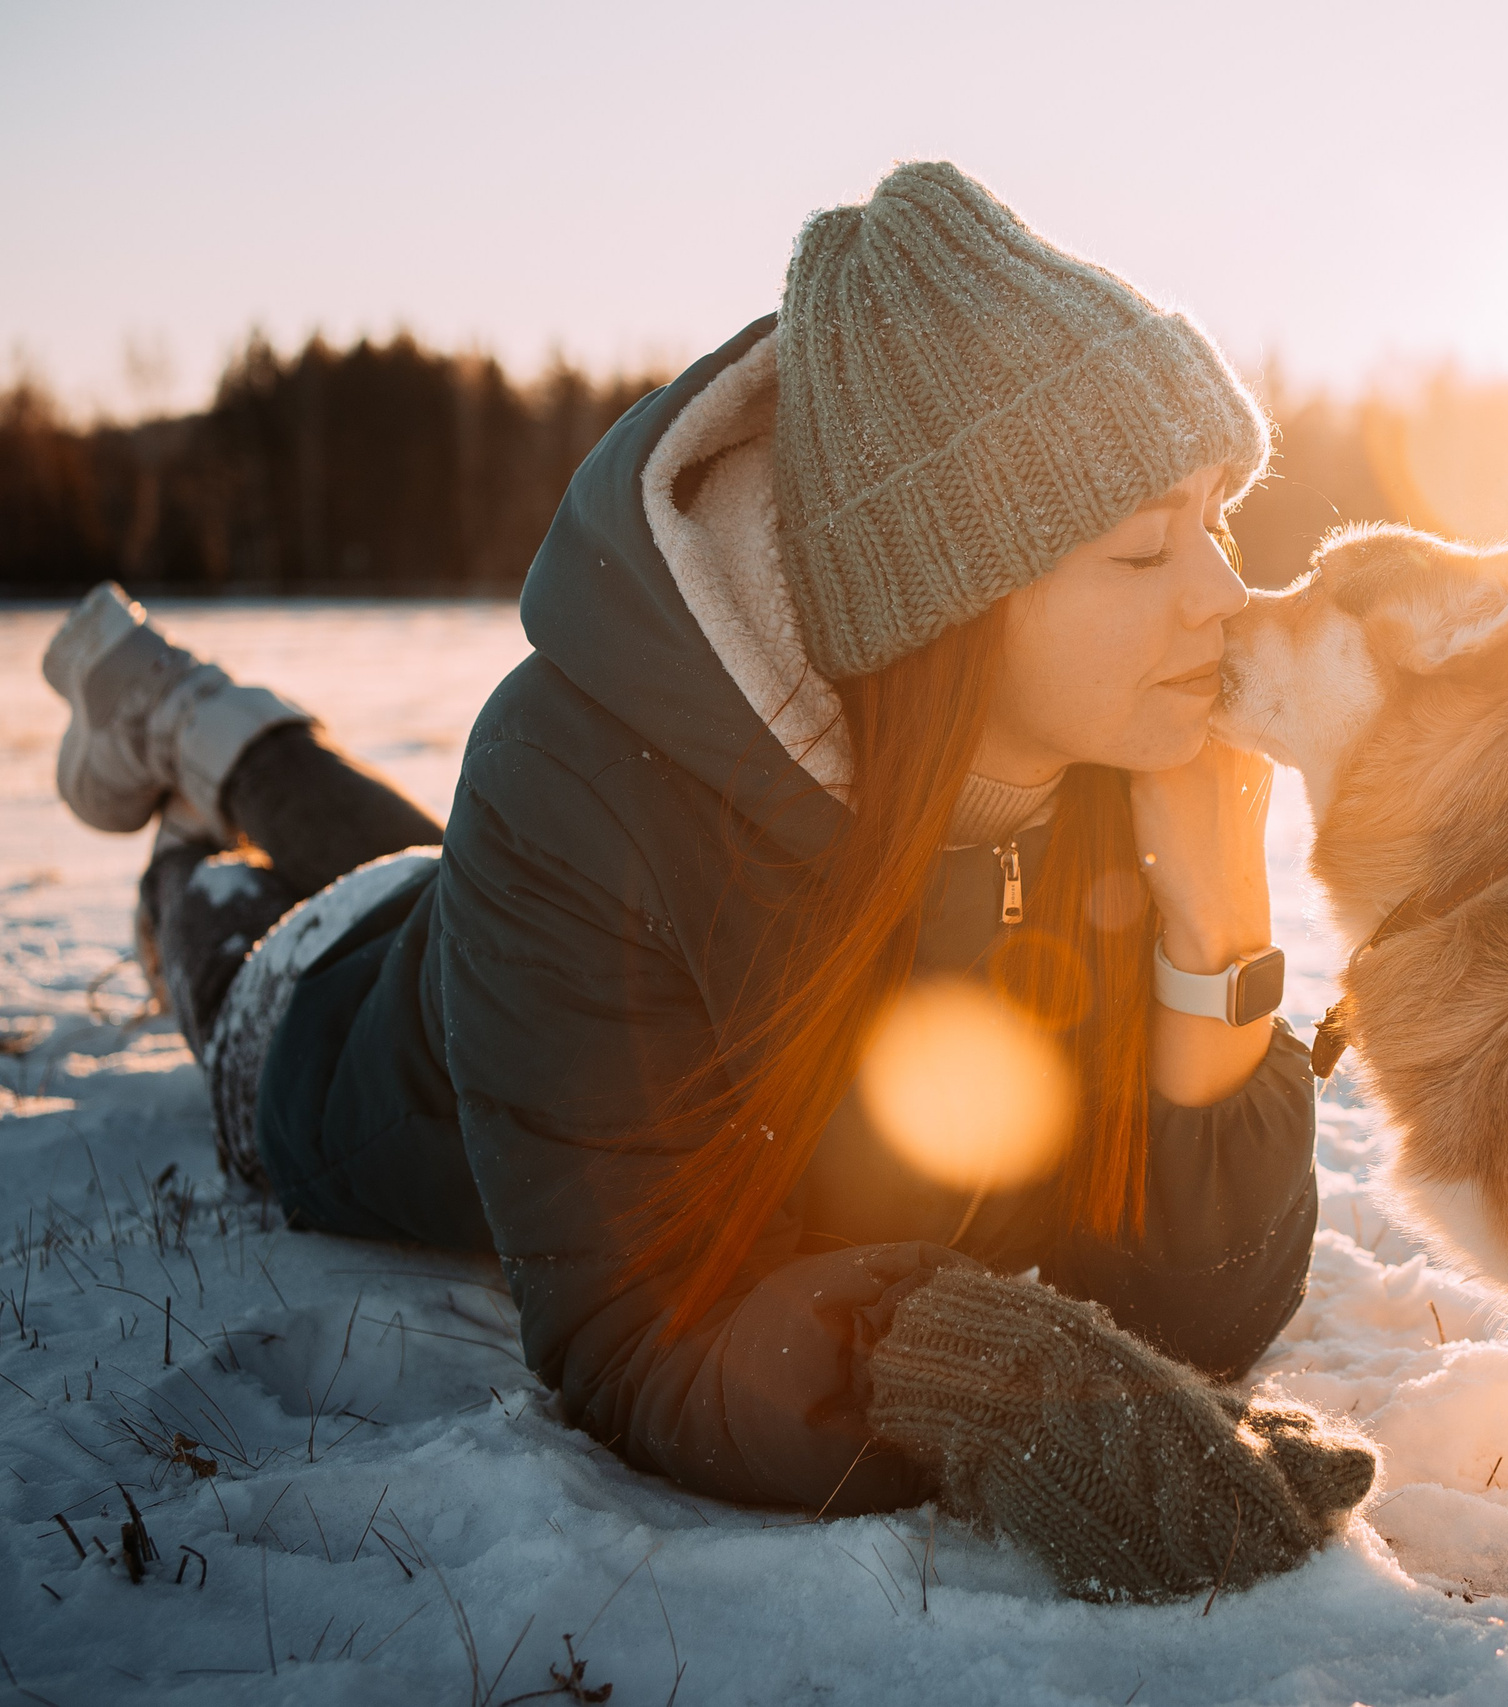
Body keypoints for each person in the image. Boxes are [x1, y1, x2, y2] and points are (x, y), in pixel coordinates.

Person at [40, 162, 1373, 1604]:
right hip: (340, 1048)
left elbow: (1208, 1300)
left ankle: (205, 724)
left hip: (479, 916)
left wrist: (1220, 939)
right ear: (949, 602)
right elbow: (629, 1333)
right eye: (1142, 547)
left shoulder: (1122, 765)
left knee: (400, 854)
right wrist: (936, 1370)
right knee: (257, 920)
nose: (1225, 595)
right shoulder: (573, 781)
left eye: (1218, 517)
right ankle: (176, 761)